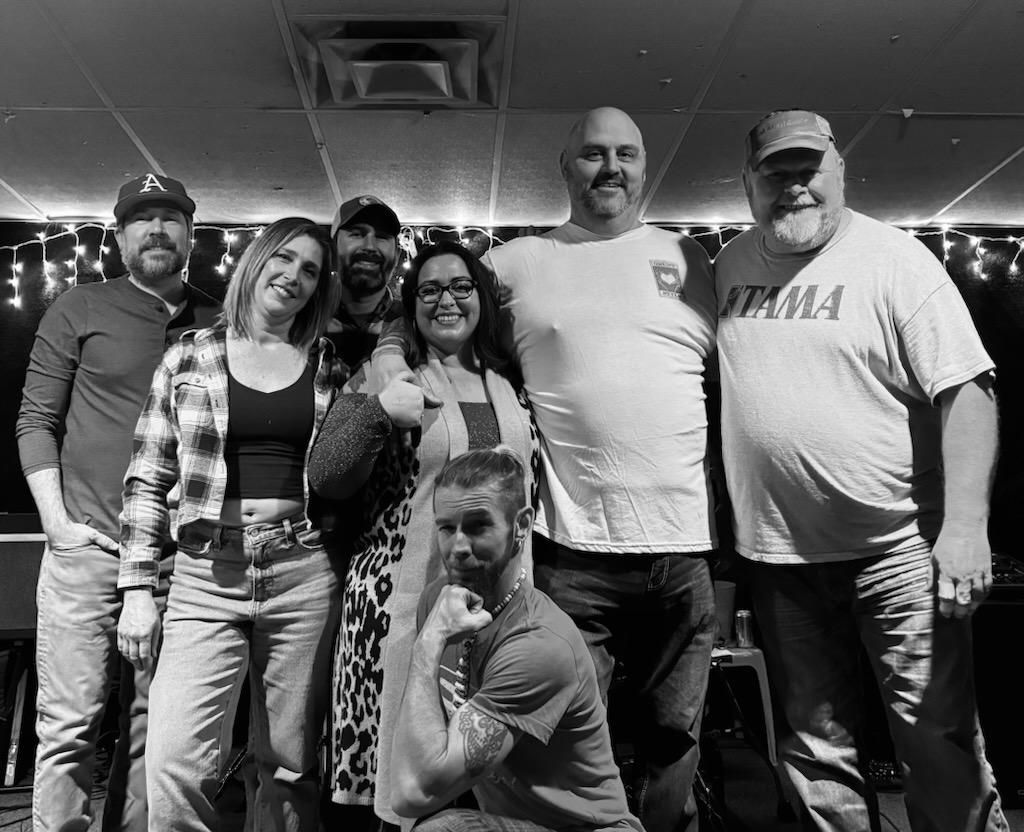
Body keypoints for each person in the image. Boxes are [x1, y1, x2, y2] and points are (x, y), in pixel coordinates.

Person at [375, 107, 718, 832]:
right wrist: (385, 359)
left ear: (645, 165)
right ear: (565, 169)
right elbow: (431, 303)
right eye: (593, 153)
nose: (611, 167)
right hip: (574, 550)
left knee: (676, 741)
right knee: (555, 748)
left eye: (627, 152)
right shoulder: (520, 262)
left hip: (684, 547)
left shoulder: (690, 259)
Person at [715, 109, 1006, 831]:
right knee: (816, 755)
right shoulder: (728, 265)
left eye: (808, 169)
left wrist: (967, 526)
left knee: (938, 744)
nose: (794, 186)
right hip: (780, 561)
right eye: (776, 173)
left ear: (841, 172)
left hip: (896, 552)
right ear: (748, 184)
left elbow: (968, 391)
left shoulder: (895, 260)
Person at [116, 217, 342, 830]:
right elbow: (146, 478)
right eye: (284, 258)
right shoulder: (188, 353)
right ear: (256, 260)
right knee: (174, 762)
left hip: (301, 571)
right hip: (205, 574)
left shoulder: (328, 365)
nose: (294, 276)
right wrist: (137, 589)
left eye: (310, 270)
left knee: (290, 766)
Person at [307, 240, 535, 825]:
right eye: (430, 290)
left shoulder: (512, 381)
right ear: (412, 306)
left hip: (495, 609)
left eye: (461, 286)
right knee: (398, 774)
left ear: (480, 296)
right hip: (396, 606)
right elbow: (326, 475)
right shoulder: (383, 375)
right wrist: (378, 410)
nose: (446, 300)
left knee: (477, 773)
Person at [16, 173, 218, 831]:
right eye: (141, 219)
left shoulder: (219, 320)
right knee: (69, 729)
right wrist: (58, 525)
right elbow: (35, 421)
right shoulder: (79, 307)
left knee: (154, 733)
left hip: (178, 564)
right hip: (89, 552)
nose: (156, 229)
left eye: (170, 218)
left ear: (191, 234)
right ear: (120, 236)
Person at [391, 447, 643, 832]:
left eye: (478, 526)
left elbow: (412, 794)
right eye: (446, 528)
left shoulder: (539, 644)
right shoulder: (439, 603)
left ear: (521, 525)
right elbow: (416, 763)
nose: (458, 548)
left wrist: (429, 642)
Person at [326, 194, 405, 376]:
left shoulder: (414, 324)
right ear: (332, 248)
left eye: (381, 237)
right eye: (356, 234)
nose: (370, 246)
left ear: (397, 255)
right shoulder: (303, 318)